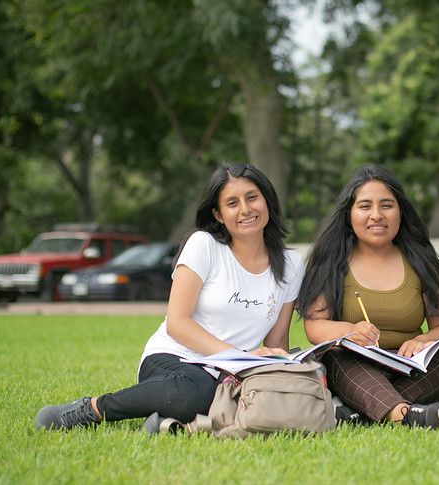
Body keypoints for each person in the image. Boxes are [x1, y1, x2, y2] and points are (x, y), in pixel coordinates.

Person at [35, 162, 304, 431]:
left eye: (252, 197)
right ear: (219, 214)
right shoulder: (204, 245)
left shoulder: (291, 264)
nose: (245, 209)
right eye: (232, 203)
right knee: (196, 393)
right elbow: (178, 324)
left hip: (232, 374)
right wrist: (238, 358)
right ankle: (92, 408)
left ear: (267, 201)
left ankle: (165, 424)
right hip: (175, 359)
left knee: (272, 399)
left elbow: (276, 341)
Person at [296, 165, 439, 430]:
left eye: (386, 205)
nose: (376, 215)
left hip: (409, 368)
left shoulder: (422, 261)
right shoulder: (331, 261)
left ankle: (359, 408)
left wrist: (423, 340)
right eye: (365, 206)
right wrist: (350, 331)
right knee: (337, 357)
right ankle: (408, 416)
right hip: (355, 363)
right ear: (349, 214)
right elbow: (314, 326)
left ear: (400, 211)